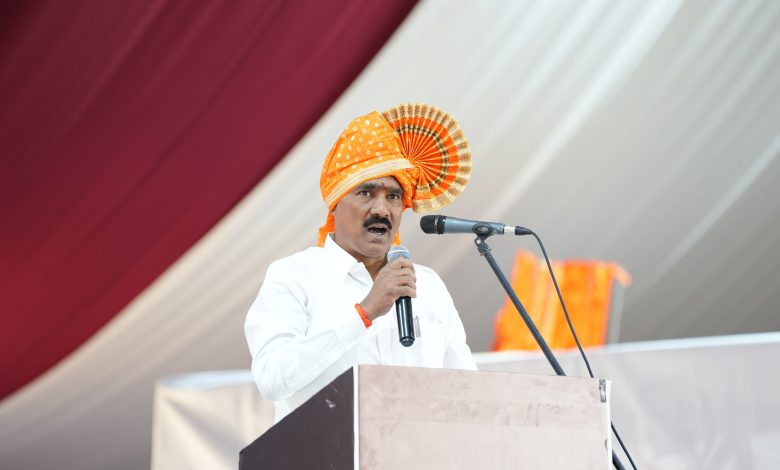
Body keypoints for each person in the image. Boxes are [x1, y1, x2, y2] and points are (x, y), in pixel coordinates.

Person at [245, 103, 477, 422]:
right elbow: (272, 377)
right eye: (366, 193)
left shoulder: (428, 284)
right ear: (335, 204)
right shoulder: (294, 275)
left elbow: (467, 389)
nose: (382, 209)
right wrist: (364, 314)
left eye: (393, 196)